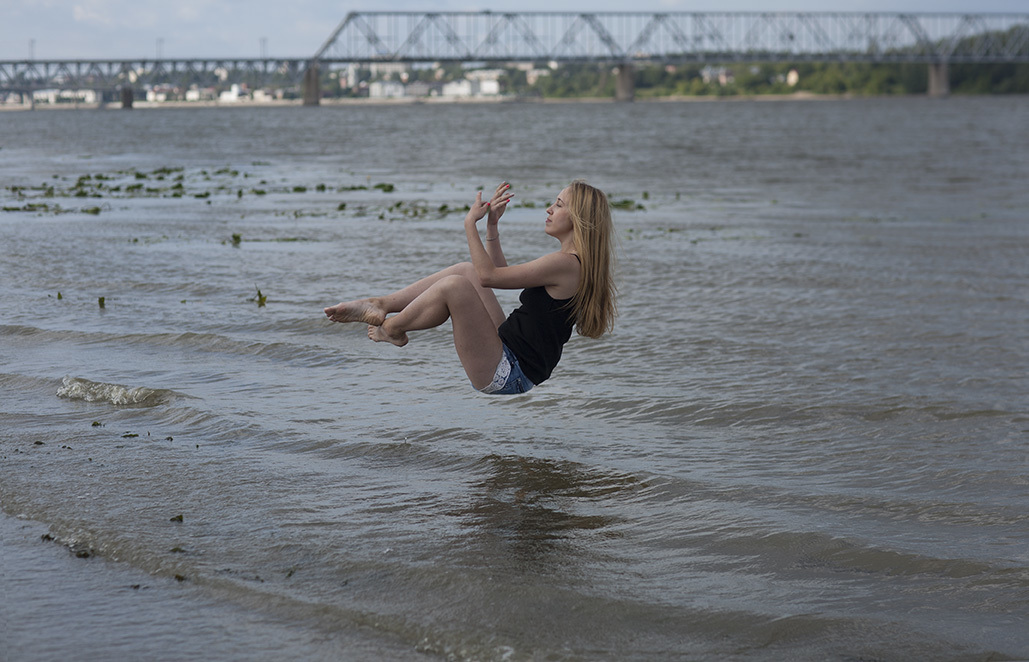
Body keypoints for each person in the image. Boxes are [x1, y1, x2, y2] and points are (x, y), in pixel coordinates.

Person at [323, 180, 616, 394]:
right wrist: (491, 227)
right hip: (507, 348)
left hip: (509, 371)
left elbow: (489, 277)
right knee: (466, 272)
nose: (549, 209)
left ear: (578, 219)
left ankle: (394, 328)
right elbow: (498, 275)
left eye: (559, 205)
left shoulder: (565, 264)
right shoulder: (570, 263)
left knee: (456, 286)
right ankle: (382, 304)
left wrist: (469, 224)